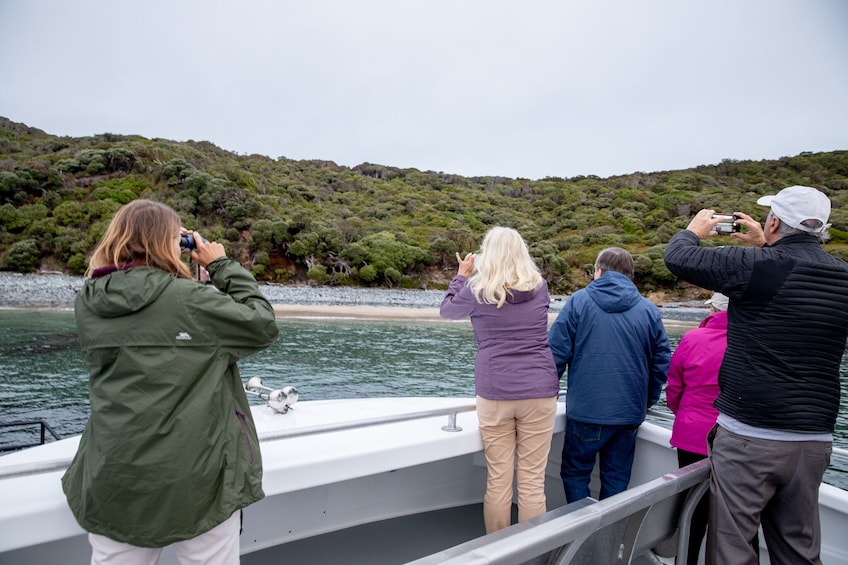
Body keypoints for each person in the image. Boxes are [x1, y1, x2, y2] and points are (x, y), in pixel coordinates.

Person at [61, 199, 280, 564]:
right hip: (197, 479)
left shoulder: (89, 302)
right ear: (170, 243)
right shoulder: (191, 302)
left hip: (114, 472)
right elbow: (262, 324)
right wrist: (219, 265)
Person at [663, 185, 848, 565]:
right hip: (814, 439)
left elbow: (677, 257)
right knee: (798, 549)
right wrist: (767, 245)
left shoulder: (756, 267)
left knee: (733, 549)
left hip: (750, 435)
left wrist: (693, 231)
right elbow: (792, 288)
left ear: (775, 220)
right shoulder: (841, 277)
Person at [440, 226, 560, 534]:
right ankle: (532, 551)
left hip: (495, 390)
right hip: (539, 389)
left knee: (498, 479)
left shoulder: (477, 290)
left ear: (486, 255)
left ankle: (499, 550)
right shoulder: (541, 287)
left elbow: (447, 311)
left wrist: (461, 276)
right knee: (533, 481)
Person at [548, 246, 670, 503]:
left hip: (586, 411)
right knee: (616, 479)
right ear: (630, 275)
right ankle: (607, 541)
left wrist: (545, 395)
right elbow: (661, 364)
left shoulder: (578, 302)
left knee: (575, 472)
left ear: (599, 272)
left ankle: (581, 535)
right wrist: (647, 400)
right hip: (628, 414)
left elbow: (555, 355)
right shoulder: (648, 311)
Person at [666, 292, 729, 565]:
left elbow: (674, 388)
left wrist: (682, 413)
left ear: (714, 309)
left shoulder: (693, 339)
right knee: (729, 511)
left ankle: (687, 559)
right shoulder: (748, 342)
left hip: (691, 435)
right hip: (732, 437)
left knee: (691, 508)